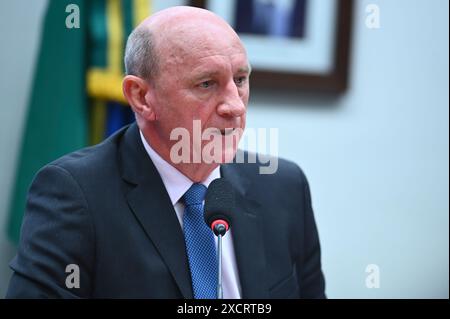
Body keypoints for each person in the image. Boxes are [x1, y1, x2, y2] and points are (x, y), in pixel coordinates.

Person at [6, 6, 325, 299]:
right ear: (141, 97)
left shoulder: (284, 188)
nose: (236, 105)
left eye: (240, 79)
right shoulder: (75, 195)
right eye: (206, 84)